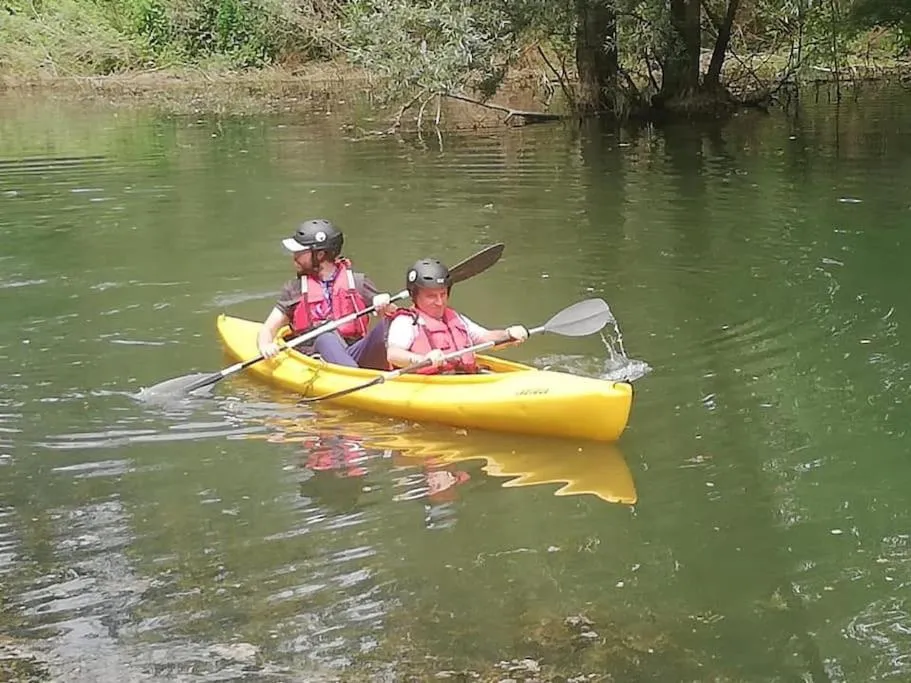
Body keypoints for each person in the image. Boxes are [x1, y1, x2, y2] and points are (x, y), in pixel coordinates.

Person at [257, 218, 395, 370]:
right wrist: (266, 345)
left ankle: (402, 368)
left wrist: (386, 305)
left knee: (390, 323)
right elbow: (268, 328)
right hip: (316, 358)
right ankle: (355, 378)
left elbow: (396, 316)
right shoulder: (294, 289)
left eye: (300, 252)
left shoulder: (357, 282)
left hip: (354, 353)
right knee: (325, 336)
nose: (294, 257)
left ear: (320, 255)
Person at [385, 258, 529, 374]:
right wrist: (421, 359)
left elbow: (485, 338)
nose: (440, 302)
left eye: (443, 294)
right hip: (430, 384)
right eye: (431, 296)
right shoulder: (406, 322)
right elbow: (393, 354)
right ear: (414, 295)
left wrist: (508, 334)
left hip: (463, 378)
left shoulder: (456, 318)